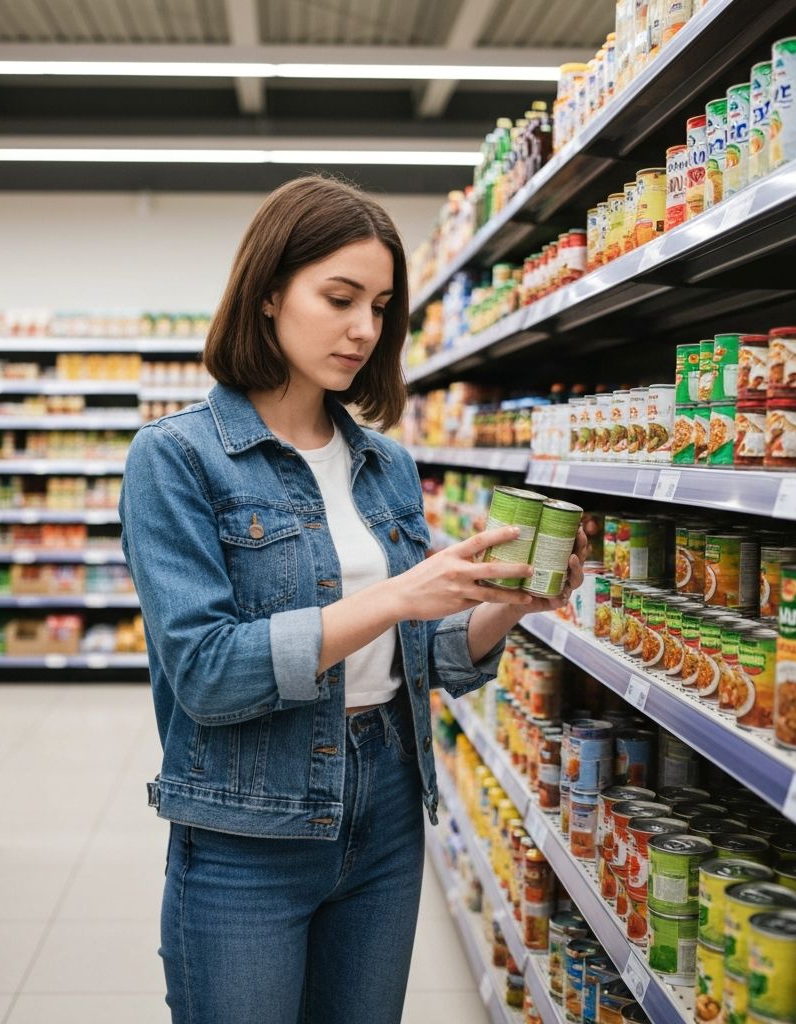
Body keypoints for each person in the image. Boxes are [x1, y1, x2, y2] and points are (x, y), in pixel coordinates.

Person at [120, 175, 588, 1024]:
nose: (365, 330)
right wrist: (401, 595)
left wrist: (507, 603)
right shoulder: (177, 457)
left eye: (379, 306)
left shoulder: (387, 463)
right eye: (339, 299)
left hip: (387, 804)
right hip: (250, 825)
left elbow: (416, 657)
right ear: (268, 292)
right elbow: (207, 674)